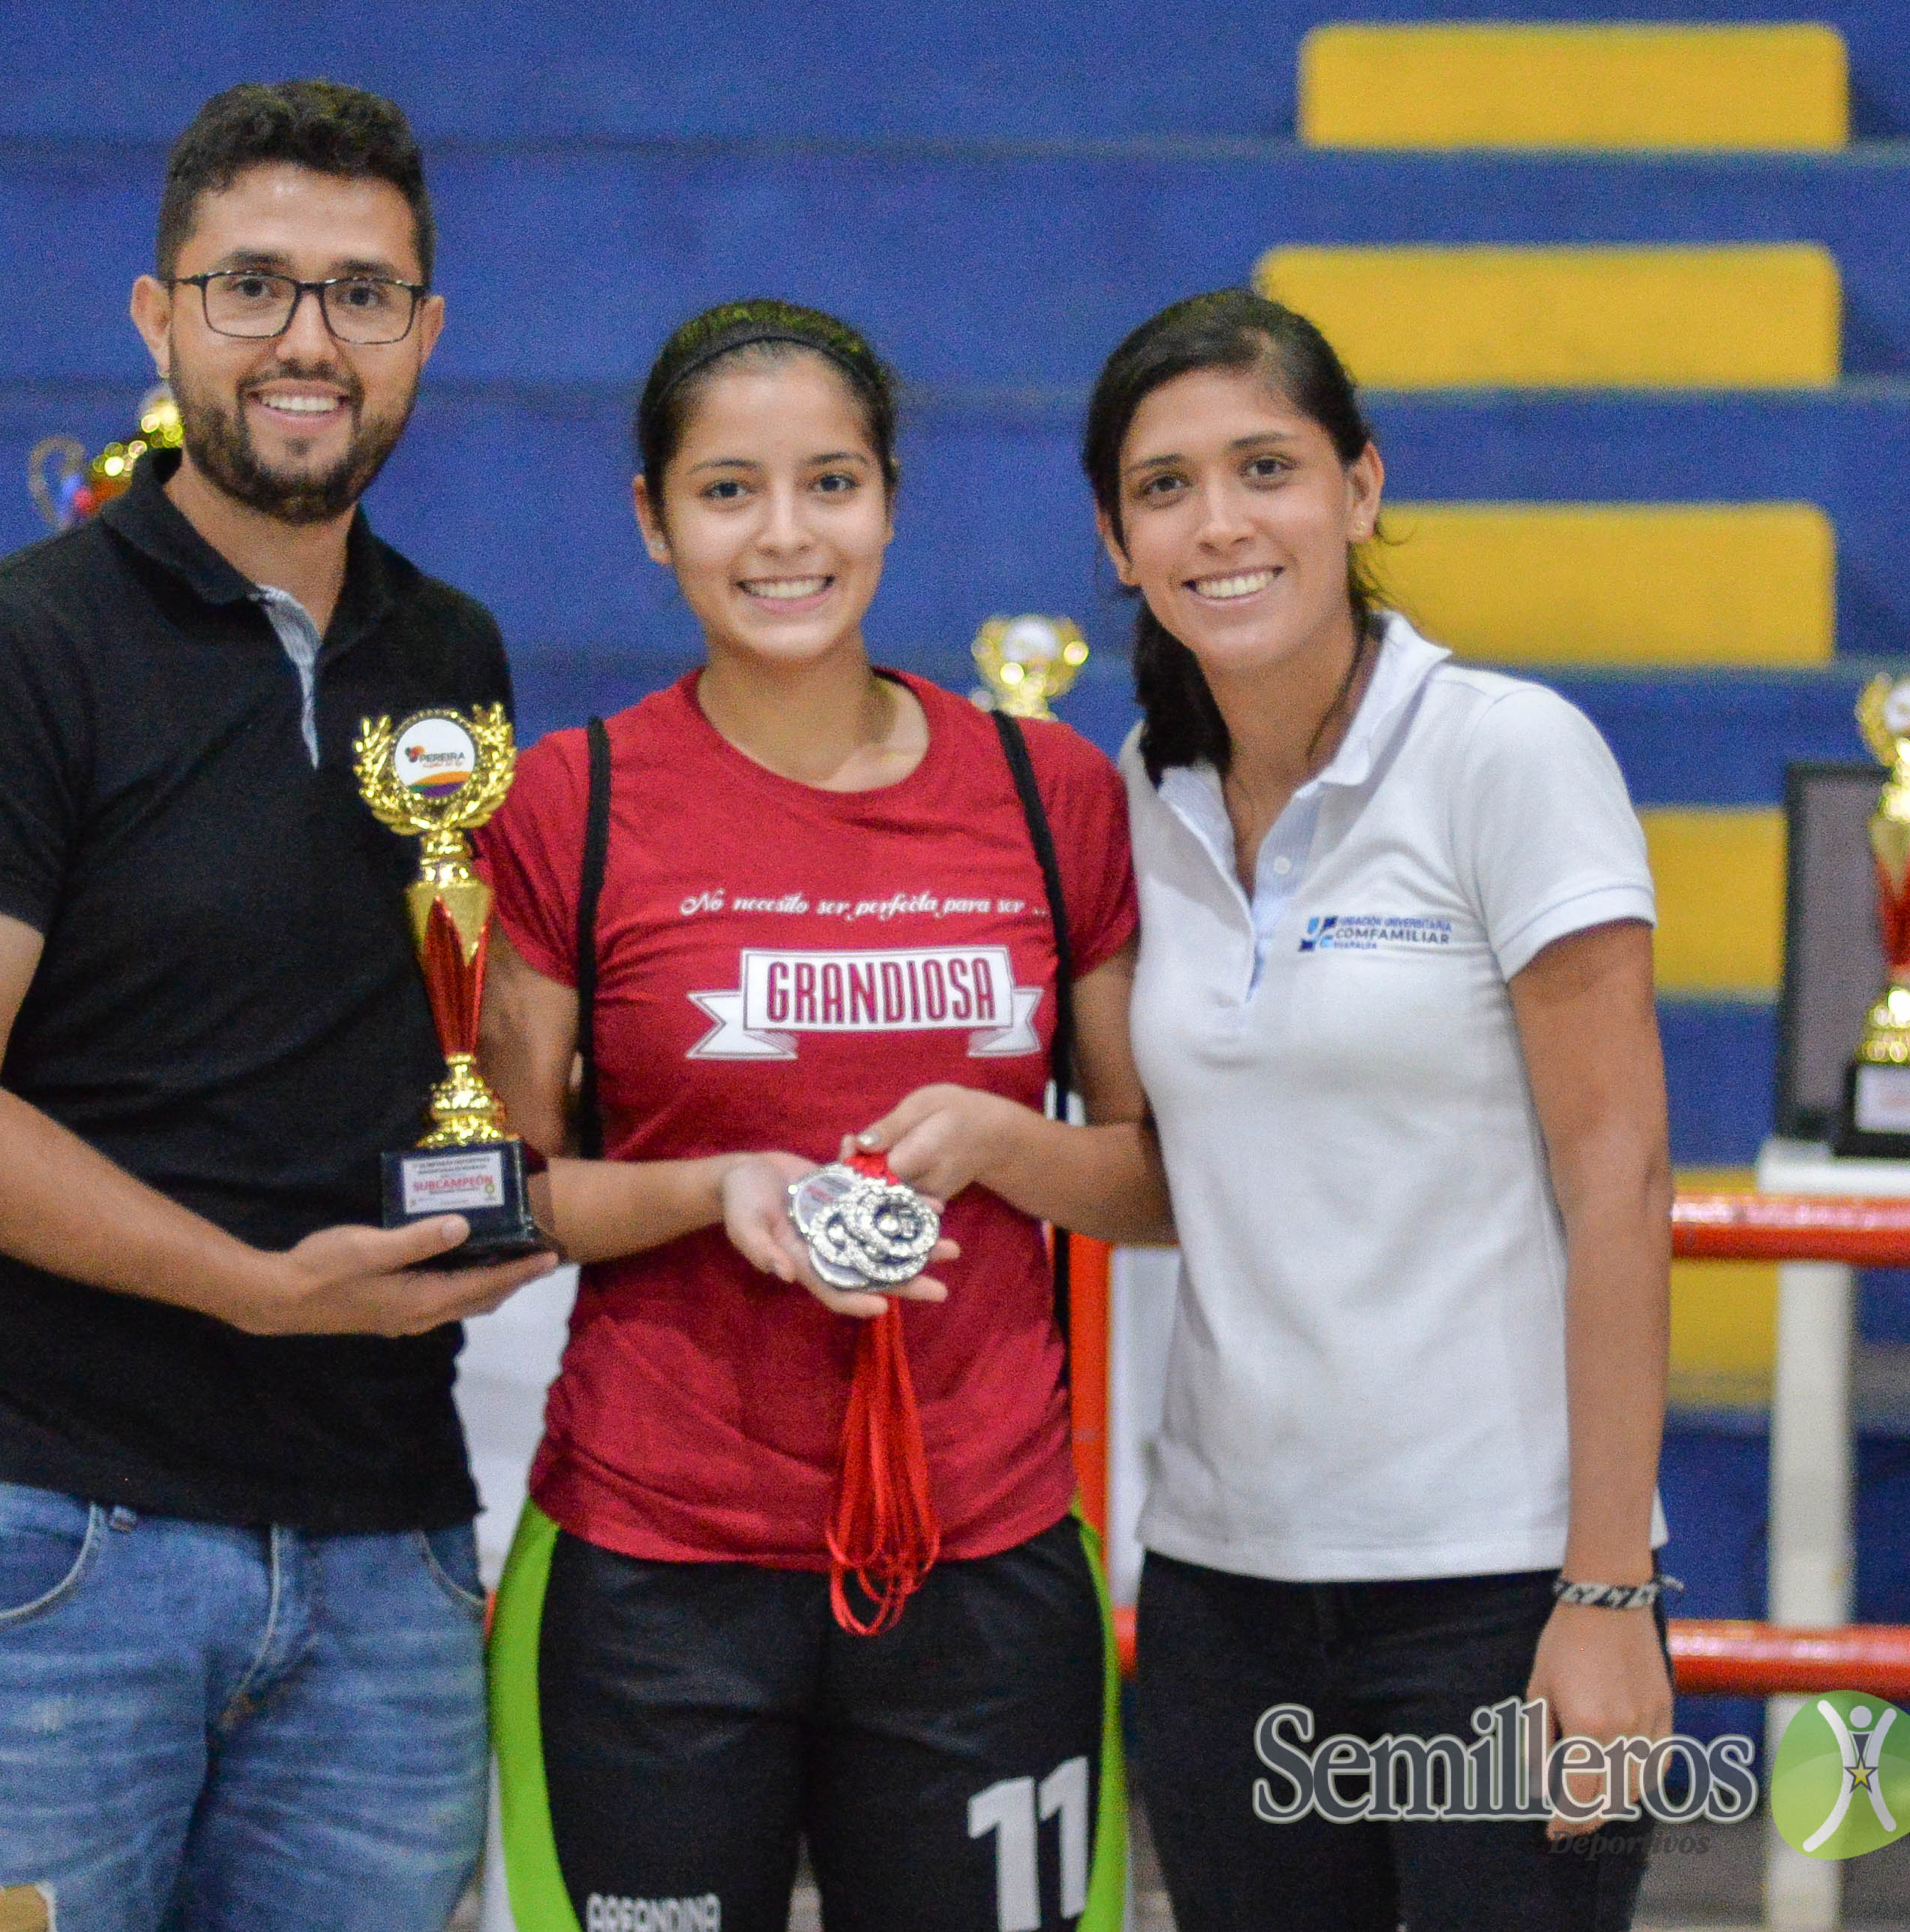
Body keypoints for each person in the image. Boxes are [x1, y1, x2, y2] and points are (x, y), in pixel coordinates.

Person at [0, 80, 557, 1932]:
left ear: (425, 333)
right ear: (159, 318)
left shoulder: (451, 652)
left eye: (361, 293)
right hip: (41, 1527)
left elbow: (467, 1040)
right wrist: (253, 1285)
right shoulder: (3, 654)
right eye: (253, 286)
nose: (308, 338)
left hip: (380, 1532)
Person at [473, 299, 1169, 1932]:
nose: (784, 535)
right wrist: (709, 1187)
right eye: (728, 490)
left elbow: (1159, 1182)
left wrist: (1001, 1145)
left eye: (830, 483)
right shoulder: (570, 802)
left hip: (983, 1561)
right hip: (653, 1571)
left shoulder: (1049, 794)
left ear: (890, 500)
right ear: (653, 518)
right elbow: (496, 1193)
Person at [1091, 288, 1676, 1931]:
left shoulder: (1507, 753)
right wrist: (971, 1145)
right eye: (1164, 487)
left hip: (1496, 1590)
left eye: (1265, 467)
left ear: (1358, 488)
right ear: (1118, 543)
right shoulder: (1140, 792)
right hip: (1223, 1592)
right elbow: (1171, 1175)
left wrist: (1604, 1590)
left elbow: (1620, 1177)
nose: (1219, 522)